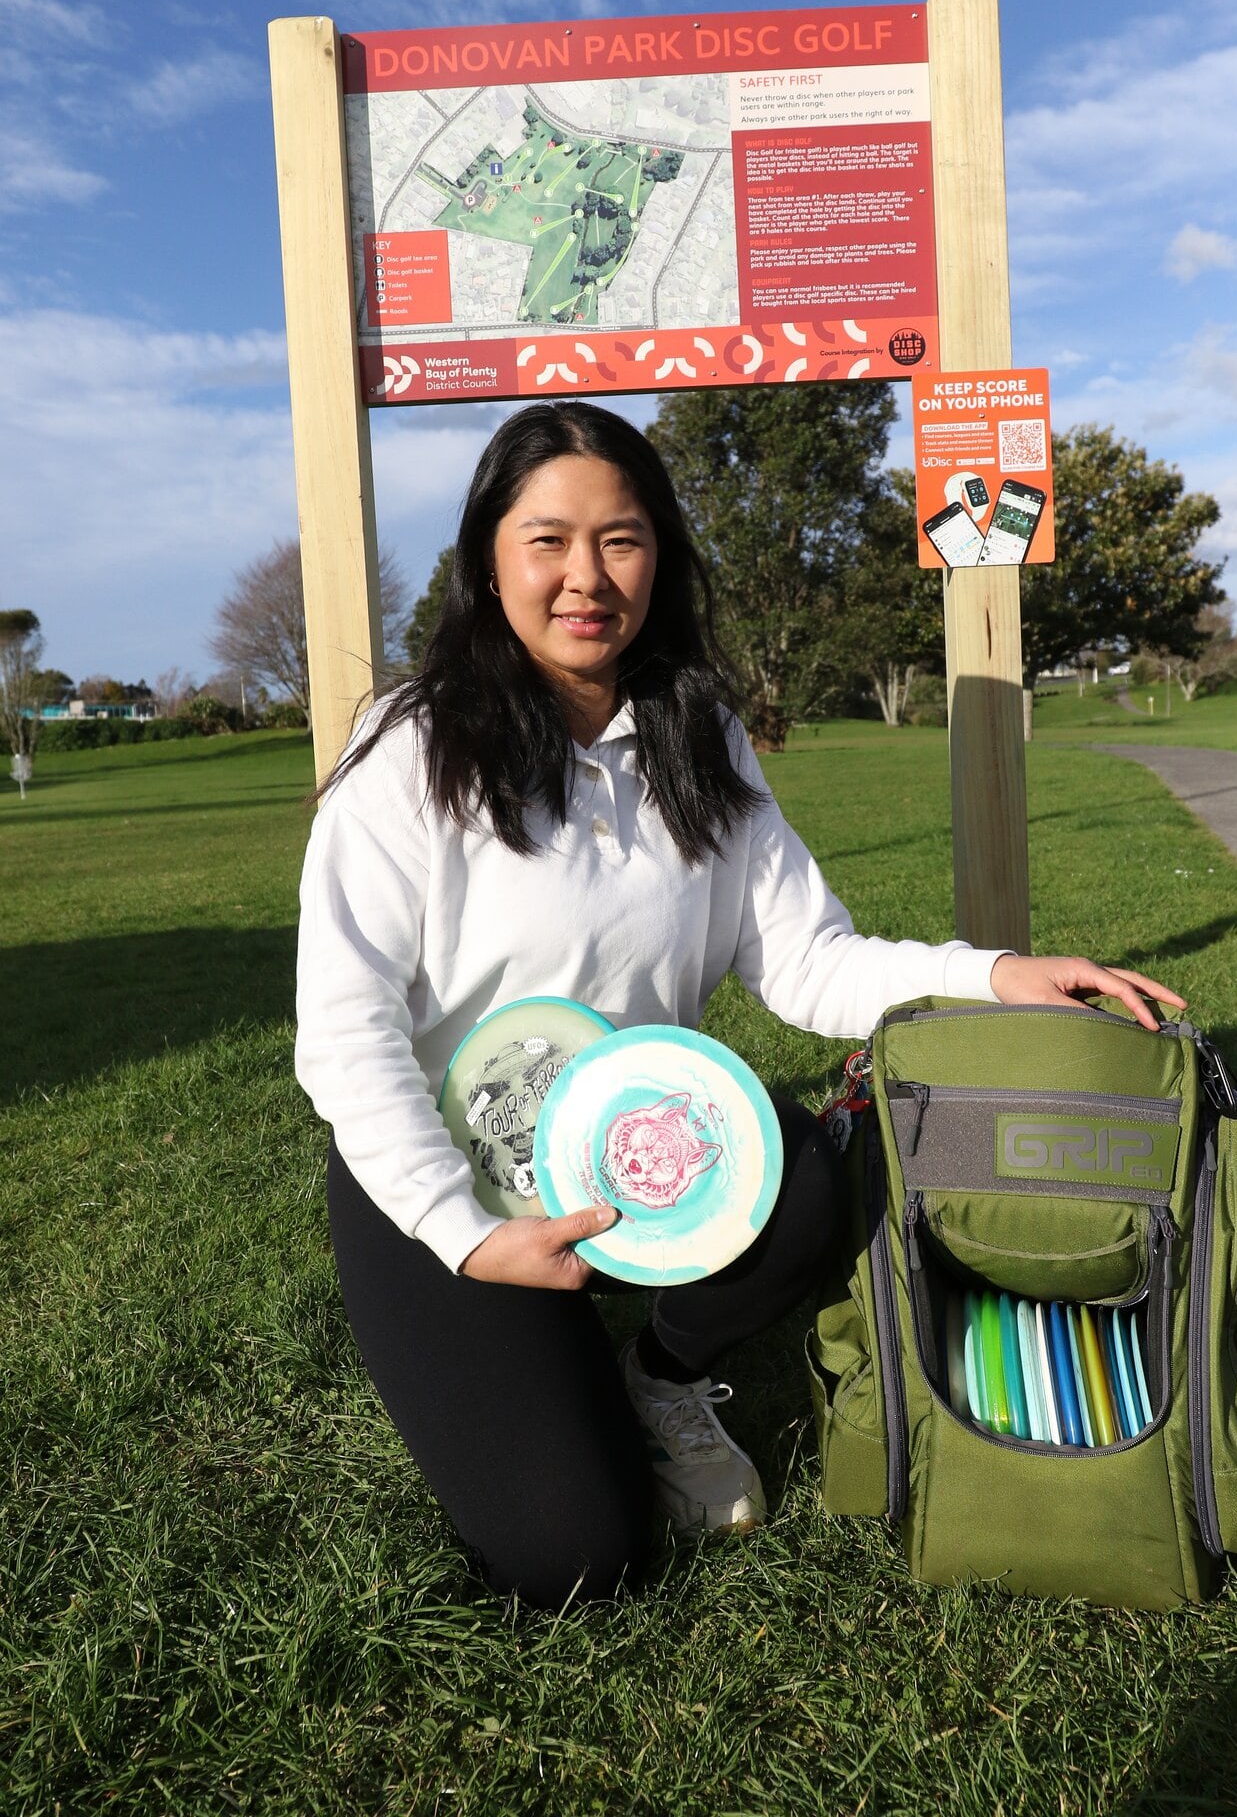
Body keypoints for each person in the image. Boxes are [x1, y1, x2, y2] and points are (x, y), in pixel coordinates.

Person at [294, 400, 1183, 1609]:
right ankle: (545, 1365)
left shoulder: (695, 733)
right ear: (487, 557)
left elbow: (808, 959)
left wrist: (994, 974)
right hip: (455, 1187)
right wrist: (466, 1233)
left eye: (622, 538)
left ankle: (659, 1371)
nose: (585, 577)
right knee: (574, 1558)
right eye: (546, 540)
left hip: (644, 1157)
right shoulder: (412, 750)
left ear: (659, 554)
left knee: (814, 1172)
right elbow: (346, 1039)